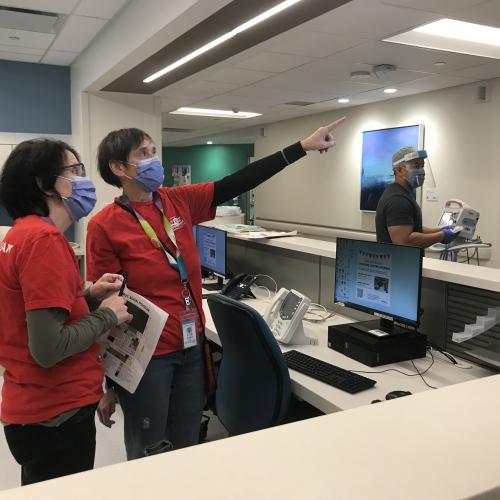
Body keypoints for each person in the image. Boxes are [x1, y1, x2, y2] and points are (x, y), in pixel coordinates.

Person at [87, 117, 345, 460]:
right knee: (148, 449)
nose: (153, 159)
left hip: (191, 347)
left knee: (188, 441)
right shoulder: (104, 225)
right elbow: (107, 307)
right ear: (118, 167)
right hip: (148, 356)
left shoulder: (177, 201)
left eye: (153, 151)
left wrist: (301, 148)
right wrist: (109, 383)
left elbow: (237, 182)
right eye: (143, 153)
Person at [0, 139, 132, 486]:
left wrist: (86, 295)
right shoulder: (44, 241)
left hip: (30, 408)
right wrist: (108, 314)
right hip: (55, 413)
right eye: (75, 171)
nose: (83, 180)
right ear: (46, 184)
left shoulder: (20, 235)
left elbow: (31, 314)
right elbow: (48, 348)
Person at [375, 146, 459, 248]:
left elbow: (414, 228)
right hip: (398, 262)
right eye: (416, 166)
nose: (422, 171)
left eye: (422, 166)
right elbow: (404, 241)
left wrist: (440, 229)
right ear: (400, 170)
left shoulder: (402, 194)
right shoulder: (398, 200)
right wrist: (441, 236)